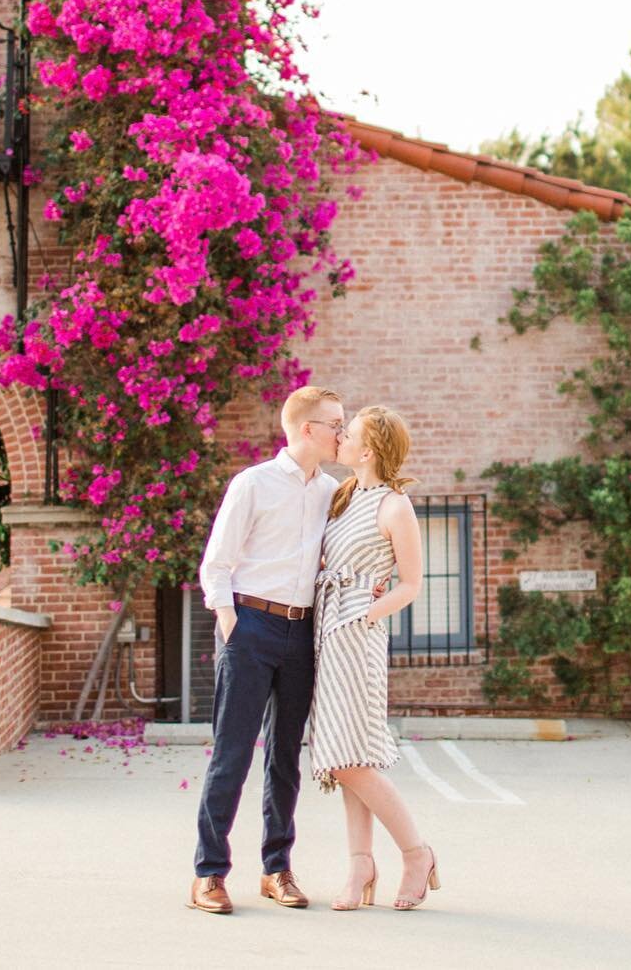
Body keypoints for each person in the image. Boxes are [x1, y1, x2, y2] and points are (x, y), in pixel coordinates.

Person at [188, 385, 345, 914]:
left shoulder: (332, 493)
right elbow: (217, 563)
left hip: (301, 633)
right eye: (334, 424)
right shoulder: (252, 484)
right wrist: (231, 623)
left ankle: (276, 869)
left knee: (285, 759)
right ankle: (209, 874)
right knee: (231, 755)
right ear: (307, 428)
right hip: (249, 625)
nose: (341, 433)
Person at [310, 405, 439, 911]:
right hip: (327, 631)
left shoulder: (394, 506)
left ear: (367, 451)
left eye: (349, 434)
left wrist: (364, 615)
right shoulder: (343, 497)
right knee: (346, 757)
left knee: (352, 760)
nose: (338, 438)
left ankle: (415, 854)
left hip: (356, 636)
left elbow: (411, 584)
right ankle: (360, 863)